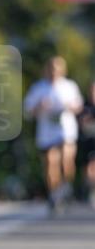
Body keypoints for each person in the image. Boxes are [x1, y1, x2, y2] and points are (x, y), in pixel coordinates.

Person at [23, 57, 83, 212]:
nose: (54, 73)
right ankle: (54, 193)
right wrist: (40, 106)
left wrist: (71, 107)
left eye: (57, 70)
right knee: (51, 162)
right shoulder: (39, 88)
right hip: (47, 132)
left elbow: (79, 106)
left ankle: (66, 186)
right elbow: (28, 110)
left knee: (66, 159)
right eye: (51, 69)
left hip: (66, 130)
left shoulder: (69, 86)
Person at [77, 82, 95, 207]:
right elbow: (78, 121)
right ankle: (91, 190)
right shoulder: (84, 106)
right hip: (88, 141)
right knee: (88, 168)